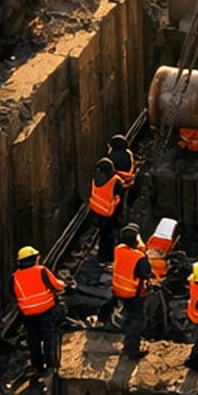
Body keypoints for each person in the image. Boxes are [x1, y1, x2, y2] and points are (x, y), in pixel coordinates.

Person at [13, 245, 65, 374]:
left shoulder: (15, 277)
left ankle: (37, 366)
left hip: (28, 313)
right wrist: (63, 284)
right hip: (46, 309)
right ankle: (51, 365)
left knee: (33, 339)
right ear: (34, 259)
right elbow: (56, 285)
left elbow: (13, 293)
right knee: (48, 336)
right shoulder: (41, 271)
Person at [111, 221, 155, 360]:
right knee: (137, 319)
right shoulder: (139, 257)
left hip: (119, 290)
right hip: (133, 292)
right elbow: (146, 273)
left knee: (128, 314)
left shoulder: (118, 249)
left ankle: (126, 333)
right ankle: (131, 349)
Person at [88, 153, 121, 275]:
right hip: (109, 212)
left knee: (102, 234)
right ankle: (108, 259)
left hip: (97, 211)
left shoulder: (95, 179)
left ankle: (102, 258)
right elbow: (118, 197)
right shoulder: (115, 180)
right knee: (110, 236)